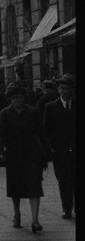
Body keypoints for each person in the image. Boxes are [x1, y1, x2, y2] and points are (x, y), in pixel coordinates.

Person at [0, 84, 50, 232]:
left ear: (24, 98)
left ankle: (35, 220)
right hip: (14, 154)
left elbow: (41, 133)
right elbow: (0, 135)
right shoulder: (4, 114)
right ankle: (17, 214)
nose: (17, 100)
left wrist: (46, 153)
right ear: (10, 100)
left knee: (34, 185)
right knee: (15, 186)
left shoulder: (33, 112)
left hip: (32, 153)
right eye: (14, 98)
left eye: (19, 97)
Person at [43, 75, 75, 219]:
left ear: (71, 90)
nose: (64, 92)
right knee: (63, 180)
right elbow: (46, 130)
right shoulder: (50, 107)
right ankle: (67, 208)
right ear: (58, 90)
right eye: (62, 89)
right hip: (59, 150)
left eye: (67, 89)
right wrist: (50, 147)